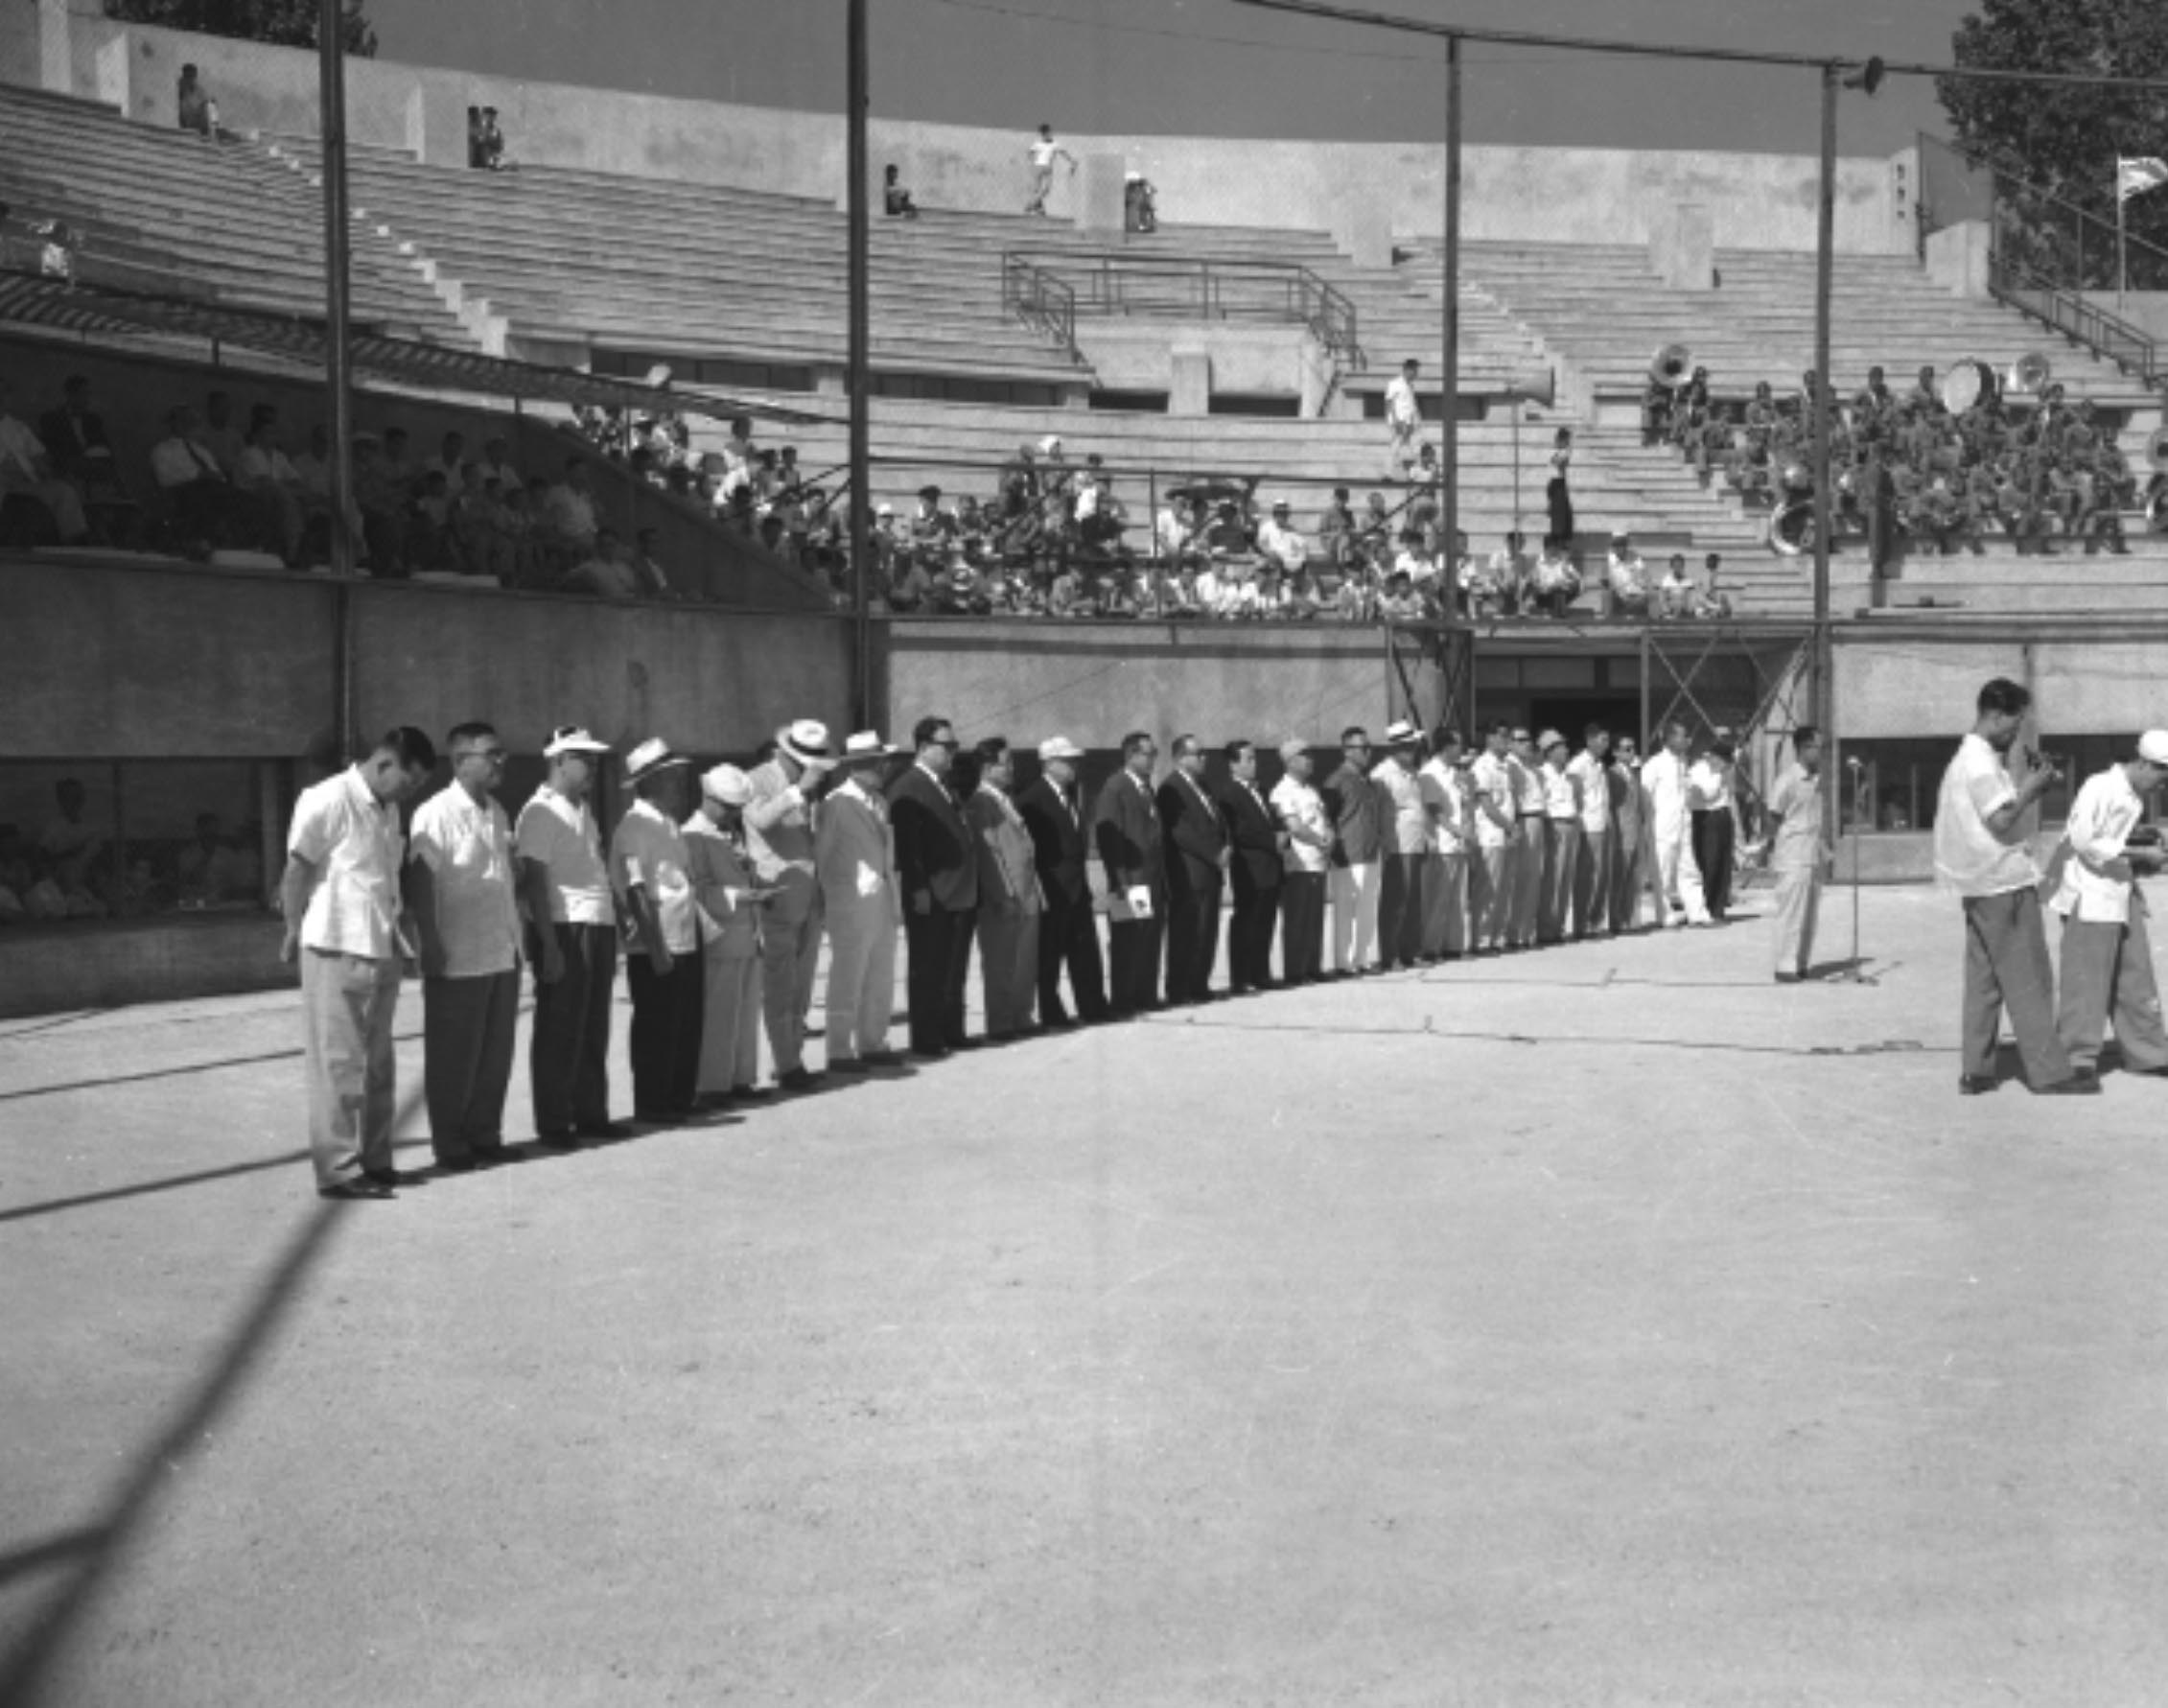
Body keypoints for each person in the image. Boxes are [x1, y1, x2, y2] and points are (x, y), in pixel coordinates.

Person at [281, 727, 437, 1200]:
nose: (408, 794)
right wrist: (291, 928)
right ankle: (339, 1170)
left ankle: (374, 1159)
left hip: (380, 946)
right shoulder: (326, 799)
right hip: (334, 945)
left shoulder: (388, 810)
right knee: (339, 1063)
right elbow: (297, 869)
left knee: (377, 1065)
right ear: (385, 763)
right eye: (407, 783)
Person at [1933, 678, 2089, 1095]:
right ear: (1995, 715)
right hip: (2002, 881)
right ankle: (2049, 1073)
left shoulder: (1967, 757)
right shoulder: (1981, 763)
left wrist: (2025, 788)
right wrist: (2032, 789)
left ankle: (1977, 1070)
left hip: (1979, 885)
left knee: (1984, 982)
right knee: (2029, 977)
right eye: (2013, 724)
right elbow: (2001, 819)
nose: (2015, 733)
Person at [402, 722, 522, 1171]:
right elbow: (420, 879)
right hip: (457, 955)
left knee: (495, 1056)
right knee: (454, 1056)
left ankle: (484, 1135)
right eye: (491, 754)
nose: (500, 762)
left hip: (500, 951)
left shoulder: (497, 812)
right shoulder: (435, 813)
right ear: (460, 760)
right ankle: (450, 1145)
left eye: (501, 753)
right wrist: (428, 943)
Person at [516, 725, 625, 1145]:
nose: (593, 766)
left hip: (596, 924)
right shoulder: (539, 811)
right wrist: (547, 943)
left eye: (595, 758)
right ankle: (555, 1122)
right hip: (565, 925)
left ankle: (591, 1113)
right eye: (584, 758)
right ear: (559, 760)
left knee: (593, 1025)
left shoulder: (583, 809)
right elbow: (536, 883)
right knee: (559, 1029)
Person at [2042, 733, 2168, 1084]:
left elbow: (2112, 838)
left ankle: (2148, 1052)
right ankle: (2076, 1057)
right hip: (2089, 893)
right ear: (2145, 764)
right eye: (2162, 776)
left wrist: (2140, 840)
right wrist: (2142, 854)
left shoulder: (2133, 797)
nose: (2162, 785)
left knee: (2135, 974)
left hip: (2120, 888)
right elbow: (2084, 839)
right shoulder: (2099, 786)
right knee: (2086, 979)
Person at [612, 737, 705, 1123]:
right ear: (649, 781)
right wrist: (655, 948)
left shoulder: (668, 823)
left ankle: (677, 1098)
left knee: (684, 1024)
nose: (678, 784)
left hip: (685, 935)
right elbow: (634, 891)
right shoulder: (634, 827)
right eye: (669, 777)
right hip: (658, 941)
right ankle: (652, 1103)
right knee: (656, 1026)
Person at [744, 720, 832, 1093]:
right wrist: (798, 791)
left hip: (808, 894)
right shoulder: (758, 778)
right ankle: (786, 1062)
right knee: (780, 985)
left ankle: (792, 1058)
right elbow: (760, 820)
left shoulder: (809, 784)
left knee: (802, 985)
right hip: (777, 895)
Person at [814, 733, 905, 1070]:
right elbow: (822, 855)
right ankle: (838, 1049)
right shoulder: (836, 803)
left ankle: (873, 1041)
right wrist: (825, 899)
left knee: (880, 973)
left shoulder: (880, 802)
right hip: (849, 901)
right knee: (847, 976)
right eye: (877, 763)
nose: (884, 768)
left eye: (883, 762)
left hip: (882, 899)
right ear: (857, 767)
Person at [889, 714, 978, 1058]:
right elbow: (908, 848)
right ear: (925, 747)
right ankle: (926, 1037)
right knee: (929, 968)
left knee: (954, 967)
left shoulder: (943, 784)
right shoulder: (909, 786)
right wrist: (919, 890)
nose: (953, 753)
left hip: (958, 893)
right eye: (948, 746)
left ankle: (951, 1030)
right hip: (933, 894)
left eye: (955, 746)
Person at [684, 764, 771, 1106]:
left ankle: (741, 1077)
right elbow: (695, 891)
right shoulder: (692, 835)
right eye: (728, 807)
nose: (733, 814)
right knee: (719, 1014)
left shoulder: (729, 833)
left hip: (747, 933)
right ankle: (712, 1085)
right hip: (720, 936)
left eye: (737, 808)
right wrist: (738, 896)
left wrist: (756, 884)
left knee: (746, 1011)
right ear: (709, 798)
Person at [1015, 737, 1107, 1027]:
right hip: (1053, 891)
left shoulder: (1068, 796)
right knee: (1050, 957)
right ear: (1049, 763)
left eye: (1074, 761)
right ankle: (1051, 1012)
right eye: (1067, 761)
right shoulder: (1032, 800)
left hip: (1077, 890)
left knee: (1085, 951)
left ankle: (1093, 1006)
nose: (1073, 767)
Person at [963, 737, 1043, 1041]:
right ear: (987, 768)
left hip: (1026, 893)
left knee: (1023, 961)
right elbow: (989, 854)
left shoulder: (1005, 799)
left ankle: (1021, 1014)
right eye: (1005, 762)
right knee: (1000, 963)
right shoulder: (980, 803)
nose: (1011, 768)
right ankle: (1000, 1022)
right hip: (1004, 897)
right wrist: (1003, 894)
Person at [1094, 731, 1168, 1018]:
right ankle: (1123, 999)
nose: (1151, 760)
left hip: (1151, 878)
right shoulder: (1116, 788)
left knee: (1149, 939)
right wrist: (1121, 882)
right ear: (1130, 755)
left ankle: (1145, 994)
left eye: (1154, 754)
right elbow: (1109, 839)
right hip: (1129, 880)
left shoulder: (1146, 788)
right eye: (1146, 754)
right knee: (1128, 941)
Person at [1157, 735, 1230, 1004]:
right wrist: (1214, 853)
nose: (1204, 758)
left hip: (1210, 871)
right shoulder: (1171, 788)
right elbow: (1181, 831)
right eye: (1198, 754)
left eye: (1204, 753)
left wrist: (1224, 847)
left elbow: (1217, 821)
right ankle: (1179, 989)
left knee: (1207, 930)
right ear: (1180, 758)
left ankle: (1199, 984)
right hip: (1189, 873)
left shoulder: (1203, 786)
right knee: (1187, 932)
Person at [1765, 727, 1831, 984]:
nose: (1821, 753)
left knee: (1809, 915)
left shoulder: (1816, 780)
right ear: (1804, 748)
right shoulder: (1788, 780)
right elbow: (1773, 816)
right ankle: (1784, 965)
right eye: (1818, 748)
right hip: (1792, 855)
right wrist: (1775, 848)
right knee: (1790, 912)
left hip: (1812, 855)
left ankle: (1801, 962)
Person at [1218, 738, 1285, 994]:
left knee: (1266, 922)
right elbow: (1240, 830)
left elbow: (1273, 819)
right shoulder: (1230, 793)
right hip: (1249, 867)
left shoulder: (1260, 791)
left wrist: (1281, 834)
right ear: (1233, 764)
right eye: (1248, 759)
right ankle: (1240, 976)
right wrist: (1272, 839)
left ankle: (1260, 972)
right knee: (1246, 921)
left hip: (1269, 866)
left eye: (1255, 758)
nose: (1254, 763)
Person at [1321, 726, 1384, 974]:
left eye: (1369, 747)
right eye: (1362, 747)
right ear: (1347, 751)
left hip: (1370, 853)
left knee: (1367, 909)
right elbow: (1327, 817)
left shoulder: (1366, 780)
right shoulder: (1336, 781)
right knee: (1346, 911)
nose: (1368, 752)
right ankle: (1343, 962)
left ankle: (1361, 958)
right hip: (1348, 855)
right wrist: (1334, 851)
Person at [1270, 737, 1331, 985]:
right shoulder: (1282, 791)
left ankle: (1312, 966)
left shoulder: (1311, 790)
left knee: (1315, 918)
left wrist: (1329, 836)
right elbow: (1294, 826)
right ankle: (1295, 971)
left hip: (1317, 861)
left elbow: (1323, 819)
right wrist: (1319, 840)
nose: (1310, 760)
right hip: (1298, 864)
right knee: (1297, 919)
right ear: (1290, 761)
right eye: (1305, 756)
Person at [0, 377, 89, 547]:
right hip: (2, 482)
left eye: (3, 393)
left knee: (64, 491)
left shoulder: (18, 427)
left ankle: (75, 544)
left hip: (26, 482)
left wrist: (46, 470)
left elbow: (39, 455)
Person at [1642, 719, 1712, 929]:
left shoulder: (1683, 763)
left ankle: (1697, 913)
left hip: (1683, 823)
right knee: (1662, 872)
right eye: (1682, 735)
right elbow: (1644, 796)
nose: (1686, 740)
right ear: (1670, 738)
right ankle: (1665, 914)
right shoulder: (1654, 765)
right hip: (1662, 826)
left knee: (1689, 869)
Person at [1370, 720, 1429, 969]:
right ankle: (1391, 953)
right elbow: (1380, 812)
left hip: (1415, 840)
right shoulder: (1382, 774)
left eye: (1414, 745)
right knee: (1396, 900)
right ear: (1394, 748)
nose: (1412, 750)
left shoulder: (1412, 772)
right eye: (1407, 746)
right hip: (1398, 843)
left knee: (1414, 899)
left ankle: (1411, 950)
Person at [1418, 727, 1472, 960]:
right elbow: (1433, 809)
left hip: (1458, 843)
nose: (1461, 749)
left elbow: (1463, 803)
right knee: (1438, 899)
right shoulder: (1430, 772)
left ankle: (1453, 946)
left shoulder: (1454, 772)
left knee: (1457, 899)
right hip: (1442, 843)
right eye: (1457, 744)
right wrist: (1456, 830)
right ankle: (1431, 947)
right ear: (1446, 746)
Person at [1468, 722, 1520, 954]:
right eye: (1501, 735)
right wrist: (1510, 826)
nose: (1506, 739)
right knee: (1487, 890)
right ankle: (1481, 939)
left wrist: (1510, 828)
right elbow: (1487, 806)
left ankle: (1496, 938)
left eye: (1508, 735)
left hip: (1504, 833)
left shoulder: (1506, 766)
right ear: (1489, 739)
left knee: (1503, 889)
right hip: (1489, 834)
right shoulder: (1483, 766)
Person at [1687, 728, 1744, 923]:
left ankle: (1719, 907)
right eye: (1722, 761)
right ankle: (1707, 906)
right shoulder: (1699, 770)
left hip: (1722, 815)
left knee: (1723, 862)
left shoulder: (1724, 770)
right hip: (1706, 817)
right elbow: (1708, 794)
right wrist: (1719, 775)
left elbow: (1730, 793)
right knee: (1709, 862)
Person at [1565, 724, 1614, 940]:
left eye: (1607, 740)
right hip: (1587, 826)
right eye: (1602, 739)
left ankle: (1594, 922)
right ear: (1590, 740)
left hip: (1601, 824)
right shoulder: (1578, 765)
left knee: (1600, 875)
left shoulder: (1599, 764)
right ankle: (1581, 925)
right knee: (1586, 876)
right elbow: (1575, 797)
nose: (1606, 744)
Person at [1536, 731, 1581, 946]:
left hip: (1570, 825)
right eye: (1560, 747)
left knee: (1565, 878)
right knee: (1552, 878)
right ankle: (1546, 928)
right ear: (1549, 751)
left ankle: (1558, 926)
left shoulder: (1566, 775)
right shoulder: (1542, 774)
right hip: (1554, 825)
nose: (1566, 750)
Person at [1609, 735, 1650, 931]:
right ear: (1615, 752)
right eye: (1625, 748)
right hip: (1621, 829)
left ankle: (1631, 918)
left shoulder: (1634, 774)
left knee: (1634, 875)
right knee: (1620, 875)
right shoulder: (1612, 774)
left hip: (1635, 828)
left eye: (1632, 748)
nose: (1630, 752)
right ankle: (1616, 919)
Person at [1024, 123, 1077, 216]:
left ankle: (1031, 205)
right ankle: (1039, 209)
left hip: (1048, 168)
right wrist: (1033, 161)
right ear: (1043, 134)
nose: (1049, 135)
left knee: (1047, 189)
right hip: (1038, 167)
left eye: (1050, 133)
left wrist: (1071, 160)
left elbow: (1063, 153)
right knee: (1037, 189)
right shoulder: (1038, 144)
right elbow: (1030, 152)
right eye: (1047, 133)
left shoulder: (1055, 144)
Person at [1385, 359, 1422, 481]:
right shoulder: (1394, 383)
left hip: (1409, 421)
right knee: (1394, 447)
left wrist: (1414, 421)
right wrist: (1395, 421)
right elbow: (1389, 402)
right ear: (1408, 370)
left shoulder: (1410, 386)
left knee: (1414, 448)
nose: (1416, 374)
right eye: (1415, 370)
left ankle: (1413, 475)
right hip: (1399, 422)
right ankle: (1388, 474)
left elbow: (1411, 405)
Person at [1606, 531, 1649, 619]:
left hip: (1635, 593)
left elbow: (1643, 579)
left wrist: (1640, 591)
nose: (1617, 548)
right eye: (1615, 546)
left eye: (1620, 545)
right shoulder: (1610, 560)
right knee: (1608, 595)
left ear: (1625, 547)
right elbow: (1608, 582)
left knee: (1649, 596)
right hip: (1619, 594)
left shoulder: (1636, 559)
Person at [1546, 428, 1574, 549]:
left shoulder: (1564, 451)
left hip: (1560, 483)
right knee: (1559, 518)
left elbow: (1563, 462)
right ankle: (1557, 543)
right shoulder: (1556, 452)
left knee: (1564, 517)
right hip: (1556, 484)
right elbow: (1558, 462)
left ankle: (1562, 543)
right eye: (1566, 440)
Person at [176, 63, 217, 137]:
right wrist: (183, 129)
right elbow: (181, 110)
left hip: (199, 119)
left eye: (192, 76)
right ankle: (210, 130)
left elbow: (210, 104)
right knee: (208, 104)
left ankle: (212, 129)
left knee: (210, 103)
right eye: (188, 76)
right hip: (191, 122)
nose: (190, 79)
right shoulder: (183, 86)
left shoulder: (199, 89)